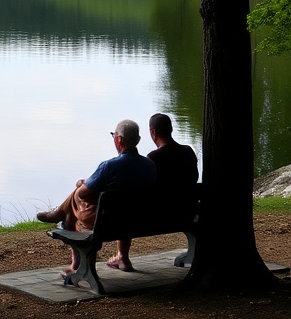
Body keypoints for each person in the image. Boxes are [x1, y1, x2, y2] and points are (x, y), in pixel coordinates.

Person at [36, 119, 156, 275]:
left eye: (114, 135)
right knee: (125, 209)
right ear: (138, 141)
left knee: (75, 200)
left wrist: (82, 183)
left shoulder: (109, 166)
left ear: (119, 139)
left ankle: (77, 265)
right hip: (137, 220)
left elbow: (83, 193)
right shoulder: (150, 165)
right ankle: (122, 258)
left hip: (107, 223)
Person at [107, 113, 199, 270]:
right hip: (187, 212)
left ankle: (122, 256)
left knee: (125, 207)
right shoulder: (188, 152)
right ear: (170, 129)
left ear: (153, 132)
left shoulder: (153, 158)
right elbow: (194, 178)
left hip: (158, 216)